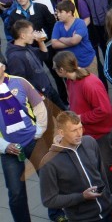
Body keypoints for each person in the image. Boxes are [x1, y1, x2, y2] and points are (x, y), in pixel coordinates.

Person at [39, 111, 112, 222]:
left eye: (80, 128)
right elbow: (49, 200)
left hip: (109, 212)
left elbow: (103, 175)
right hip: (83, 219)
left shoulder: (90, 142)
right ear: (61, 132)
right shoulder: (48, 162)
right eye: (74, 130)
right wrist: (82, 197)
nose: (80, 134)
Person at [0, 49, 48, 222]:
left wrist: (39, 131)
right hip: (8, 149)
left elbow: (38, 106)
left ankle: (58, 214)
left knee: (49, 180)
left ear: (3, 66)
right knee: (16, 193)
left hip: (33, 140)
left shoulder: (19, 82)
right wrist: (4, 146)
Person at [52, 51, 112, 141]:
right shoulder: (70, 81)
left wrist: (80, 117)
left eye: (55, 68)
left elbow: (104, 110)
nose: (54, 70)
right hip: (91, 133)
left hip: (105, 134)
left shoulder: (89, 84)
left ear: (62, 70)